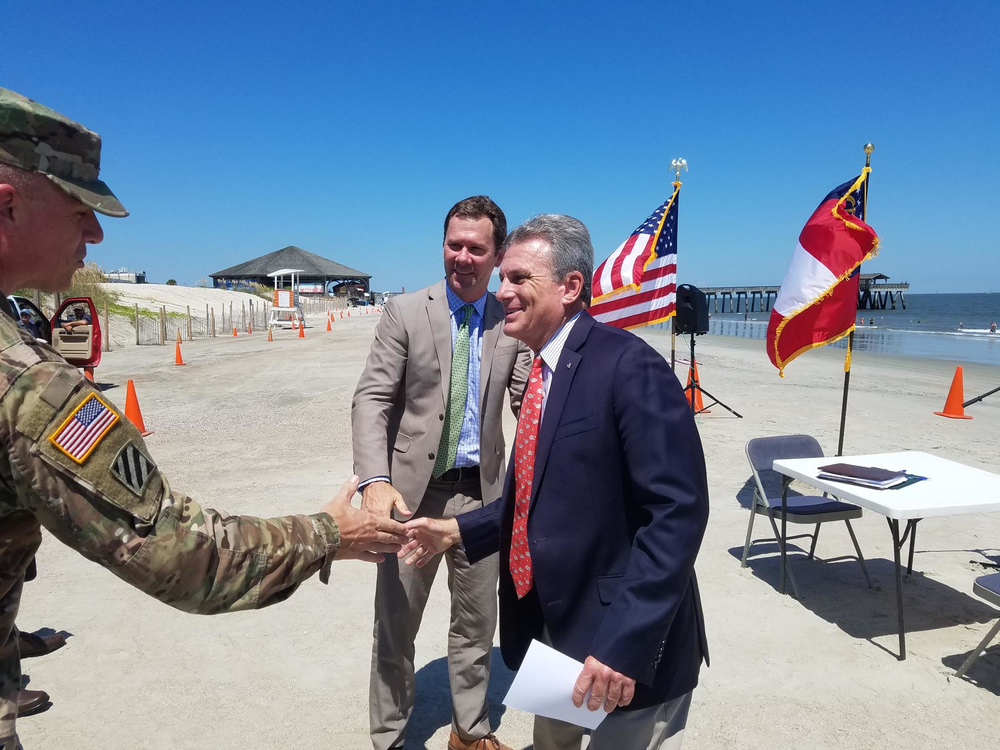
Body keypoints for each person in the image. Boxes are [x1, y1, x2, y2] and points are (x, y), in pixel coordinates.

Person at [0, 87, 407, 750]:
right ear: (7, 204)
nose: (97, 234)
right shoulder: (28, 383)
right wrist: (329, 532)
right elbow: (182, 557)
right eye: (79, 209)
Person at [402, 215, 710, 750]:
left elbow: (677, 514)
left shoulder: (628, 366)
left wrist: (623, 644)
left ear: (570, 287)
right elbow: (537, 500)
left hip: (623, 649)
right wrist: (455, 532)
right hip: (556, 639)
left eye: (520, 279)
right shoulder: (544, 371)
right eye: (504, 278)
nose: (502, 293)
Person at [352, 196, 531, 750]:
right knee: (396, 626)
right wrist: (373, 481)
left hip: (483, 497)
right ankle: (389, 737)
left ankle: (469, 729)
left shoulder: (512, 318)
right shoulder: (405, 312)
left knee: (476, 626)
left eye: (477, 248)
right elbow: (372, 399)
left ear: (497, 254)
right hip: (411, 498)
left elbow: (529, 399)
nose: (463, 257)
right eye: (454, 244)